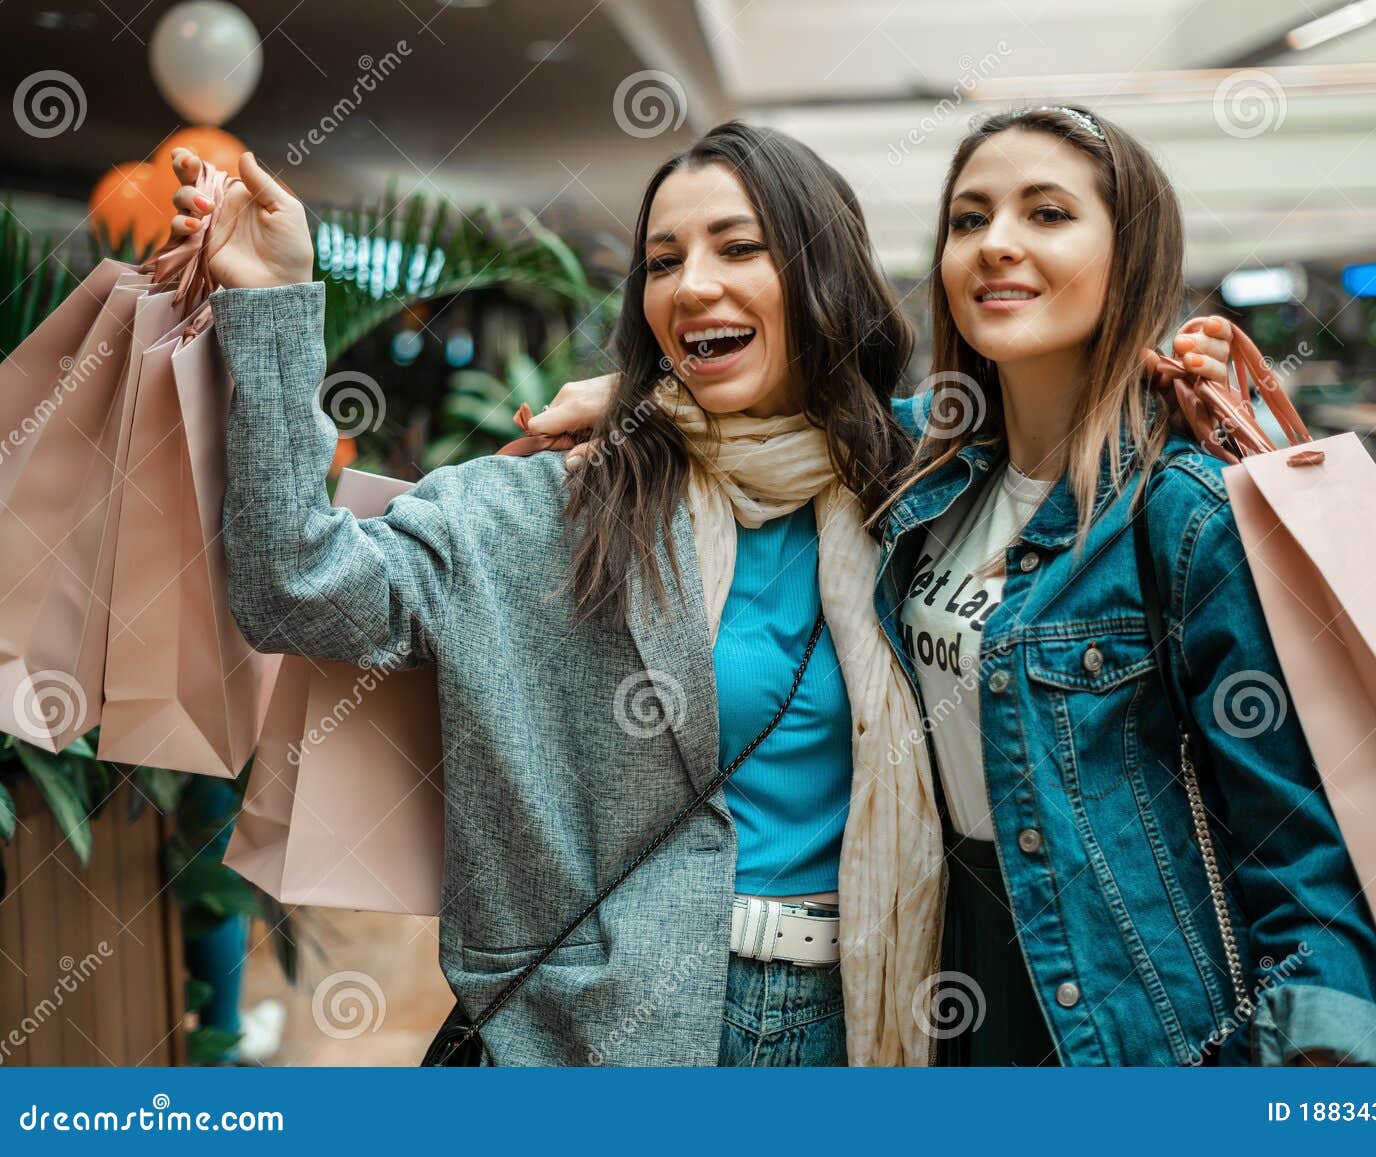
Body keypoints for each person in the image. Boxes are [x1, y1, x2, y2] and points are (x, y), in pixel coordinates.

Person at [528, 106, 1376, 1067]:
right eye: (968, 219)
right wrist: (631, 401)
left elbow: (1303, 861)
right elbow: (795, 402)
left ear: (1131, 258)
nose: (997, 245)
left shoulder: (1180, 516)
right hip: (945, 978)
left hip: (1129, 1005)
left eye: (1046, 215)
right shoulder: (928, 474)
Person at [170, 123, 948, 1066]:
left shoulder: (912, 493)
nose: (693, 283)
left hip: (864, 1014)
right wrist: (278, 305)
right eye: (663, 260)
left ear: (826, 276)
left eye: (740, 247)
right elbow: (295, 586)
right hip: (609, 1029)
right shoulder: (556, 503)